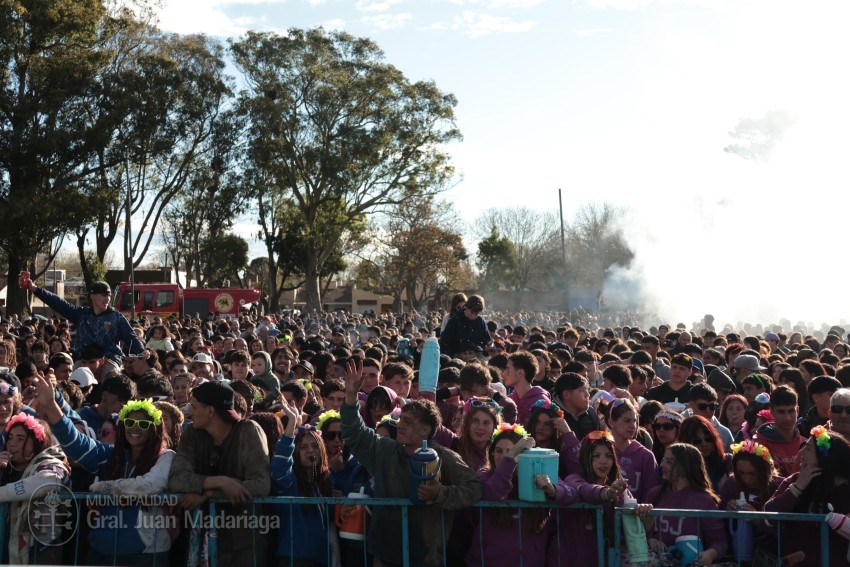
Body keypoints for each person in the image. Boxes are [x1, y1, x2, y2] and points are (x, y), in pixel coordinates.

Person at [340, 358, 483, 567]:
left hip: (425, 558)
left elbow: (475, 487)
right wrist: (351, 396)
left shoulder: (444, 457)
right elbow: (355, 434)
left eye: (408, 422)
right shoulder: (385, 450)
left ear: (426, 430)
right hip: (384, 555)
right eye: (401, 420)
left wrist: (440, 494)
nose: (400, 425)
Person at [34, 374, 174, 566]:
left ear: (154, 429)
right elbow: (77, 443)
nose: (135, 428)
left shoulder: (166, 457)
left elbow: (148, 485)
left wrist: (105, 487)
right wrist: (51, 406)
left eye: (143, 424)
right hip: (101, 552)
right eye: (130, 423)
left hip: (145, 555)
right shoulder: (111, 455)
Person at [168, 382, 272, 567]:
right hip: (201, 538)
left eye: (195, 407)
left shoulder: (249, 431)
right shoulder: (192, 433)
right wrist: (220, 482)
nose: (191, 412)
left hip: (245, 543)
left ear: (210, 411)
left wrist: (207, 494)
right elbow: (177, 479)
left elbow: (260, 484)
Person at [21, 278, 145, 376]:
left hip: (109, 360)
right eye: (103, 295)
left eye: (109, 295)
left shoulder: (117, 318)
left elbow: (131, 336)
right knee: (72, 381)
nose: (107, 298)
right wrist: (35, 289)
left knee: (112, 383)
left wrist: (142, 351)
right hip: (83, 360)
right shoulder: (81, 314)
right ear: (92, 296)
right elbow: (58, 303)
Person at [764, 426, 850, 567]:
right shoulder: (794, 481)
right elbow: (767, 519)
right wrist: (797, 489)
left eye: (808, 449)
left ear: (824, 456)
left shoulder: (846, 488)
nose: (801, 452)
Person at [465, 424, 548, 566]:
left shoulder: (532, 478)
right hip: (488, 562)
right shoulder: (483, 476)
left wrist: (551, 489)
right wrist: (510, 458)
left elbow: (565, 490)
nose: (503, 456)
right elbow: (493, 493)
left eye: (510, 451)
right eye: (499, 451)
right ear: (491, 453)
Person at [0, 414, 70, 564]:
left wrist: (3, 493)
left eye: (20, 439)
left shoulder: (51, 463)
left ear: (37, 443)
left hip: (42, 549)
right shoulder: (6, 468)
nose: (12, 444)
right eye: (10, 437)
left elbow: (49, 480)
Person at [271, 403, 335, 567]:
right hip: (294, 558)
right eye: (304, 447)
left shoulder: (324, 482)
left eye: (315, 446)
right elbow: (279, 468)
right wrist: (292, 423)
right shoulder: (290, 481)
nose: (310, 451)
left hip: (322, 559)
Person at [647, 443, 728, 566]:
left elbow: (719, 542)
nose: (662, 465)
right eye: (663, 460)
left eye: (669, 462)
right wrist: (650, 539)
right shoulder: (655, 494)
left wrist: (710, 554)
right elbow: (641, 530)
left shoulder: (705, 501)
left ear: (685, 466)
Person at [754, 385, 805, 477]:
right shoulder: (759, 445)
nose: (787, 418)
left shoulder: (806, 443)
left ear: (797, 410)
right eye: (781, 412)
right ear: (772, 412)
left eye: (791, 411)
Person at [680, 415, 732, 493]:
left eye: (708, 439)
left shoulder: (727, 462)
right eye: (697, 441)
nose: (704, 444)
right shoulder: (680, 468)